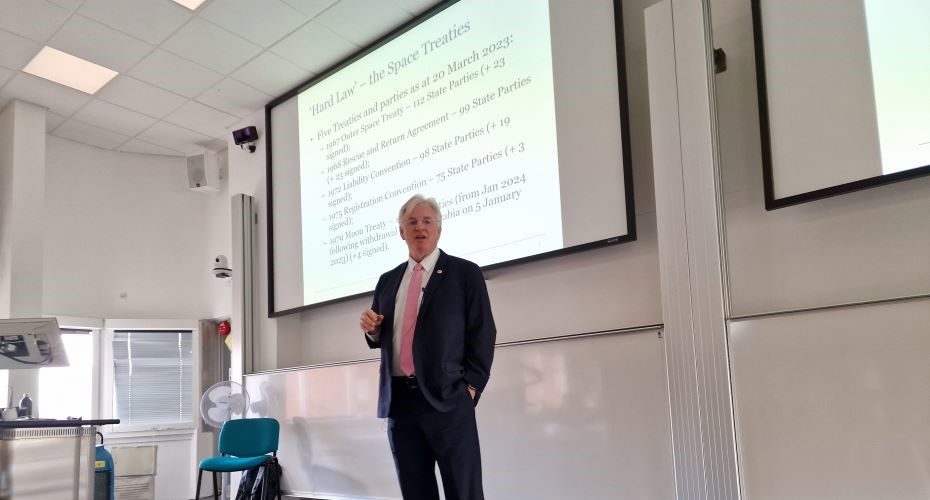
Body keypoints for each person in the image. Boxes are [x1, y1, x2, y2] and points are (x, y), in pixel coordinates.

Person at [359, 194, 496, 500]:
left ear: (438, 230)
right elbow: (380, 337)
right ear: (401, 231)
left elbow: (483, 332)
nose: (419, 227)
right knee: (415, 492)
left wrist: (470, 387)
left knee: (463, 491)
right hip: (400, 404)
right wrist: (372, 331)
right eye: (411, 222)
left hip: (448, 400)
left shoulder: (465, 273)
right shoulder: (387, 280)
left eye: (427, 221)